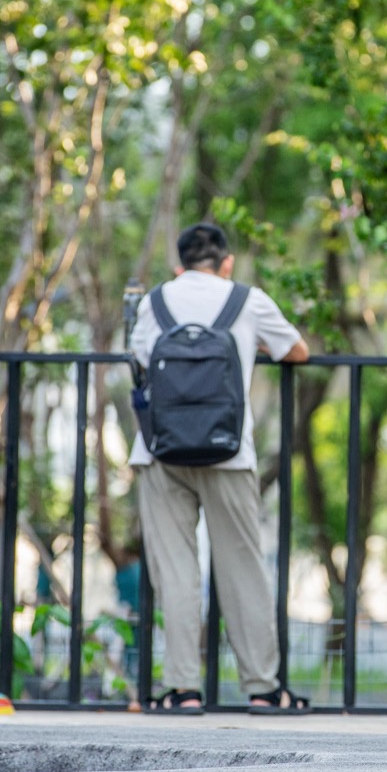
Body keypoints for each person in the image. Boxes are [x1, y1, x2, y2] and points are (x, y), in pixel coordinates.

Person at [129, 223, 309, 713]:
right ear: (226, 263)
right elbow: (297, 350)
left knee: (177, 573)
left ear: (179, 265)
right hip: (230, 453)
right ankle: (263, 688)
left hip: (160, 452)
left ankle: (183, 689)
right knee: (243, 569)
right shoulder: (247, 300)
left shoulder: (154, 302)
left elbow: (140, 360)